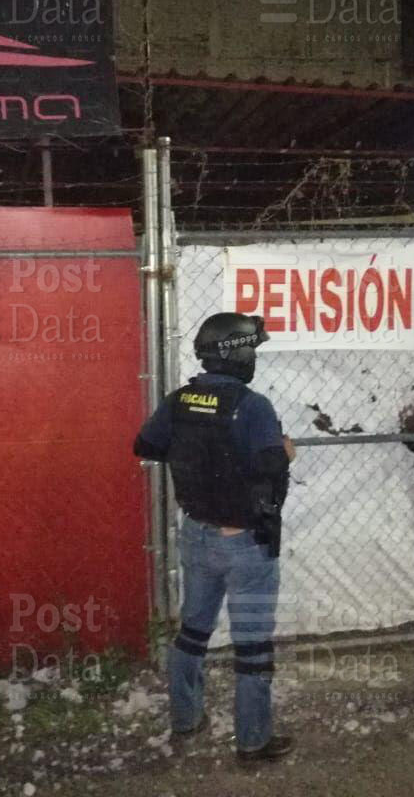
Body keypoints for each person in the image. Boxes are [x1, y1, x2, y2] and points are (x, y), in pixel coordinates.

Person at [134, 312, 295, 761]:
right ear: (237, 354)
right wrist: (286, 454)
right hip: (245, 543)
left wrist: (195, 453)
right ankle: (253, 740)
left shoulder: (180, 399)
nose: (254, 356)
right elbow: (269, 468)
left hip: (197, 535)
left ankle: (186, 719)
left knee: (192, 633)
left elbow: (145, 446)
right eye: (251, 348)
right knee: (253, 648)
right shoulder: (253, 405)